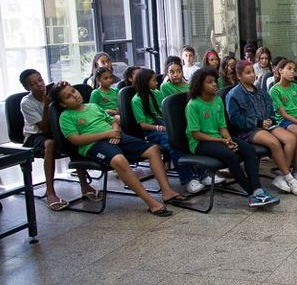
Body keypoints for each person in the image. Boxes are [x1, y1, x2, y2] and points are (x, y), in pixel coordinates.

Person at [50, 81, 187, 216]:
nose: (74, 95)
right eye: (68, 96)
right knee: (119, 160)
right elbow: (76, 140)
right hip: (94, 145)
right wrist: (107, 133)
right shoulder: (66, 117)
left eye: (73, 91)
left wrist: (115, 130)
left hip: (114, 136)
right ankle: (150, 202)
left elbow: (112, 122)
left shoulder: (93, 106)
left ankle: (167, 191)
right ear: (63, 104)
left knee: (153, 149)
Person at [186, 68, 280, 207]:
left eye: (214, 81)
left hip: (219, 138)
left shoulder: (218, 100)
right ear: (199, 85)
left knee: (248, 150)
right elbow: (196, 134)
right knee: (231, 156)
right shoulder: (193, 105)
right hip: (200, 143)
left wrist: (229, 139)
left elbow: (222, 126)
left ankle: (257, 189)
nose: (214, 85)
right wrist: (222, 141)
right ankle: (251, 193)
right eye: (209, 82)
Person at [18, 69, 96, 211]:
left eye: (40, 80)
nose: (39, 85)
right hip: (35, 136)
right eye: (33, 84)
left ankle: (84, 185)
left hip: (54, 130)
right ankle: (50, 193)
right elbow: (44, 128)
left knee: (73, 137)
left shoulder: (50, 94)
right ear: (27, 87)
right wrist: (47, 104)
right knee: (50, 143)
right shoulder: (26, 103)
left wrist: (61, 89)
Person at [132, 68, 218, 194]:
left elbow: (164, 112)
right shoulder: (136, 100)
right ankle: (188, 179)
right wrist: (160, 128)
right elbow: (143, 125)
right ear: (145, 82)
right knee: (174, 145)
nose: (157, 83)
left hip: (164, 123)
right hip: (154, 130)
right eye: (154, 80)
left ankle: (203, 175)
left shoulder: (156, 93)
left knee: (189, 137)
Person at [227, 60, 297, 195]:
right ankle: (289, 178)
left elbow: (271, 110)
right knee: (273, 142)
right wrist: (258, 123)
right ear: (239, 76)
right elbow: (236, 119)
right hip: (249, 130)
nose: (252, 75)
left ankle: (281, 175)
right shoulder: (233, 95)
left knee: (291, 139)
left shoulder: (261, 92)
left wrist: (270, 120)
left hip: (267, 125)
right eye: (248, 73)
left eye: (252, 72)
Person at [269, 58, 297, 192]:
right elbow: (283, 114)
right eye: (289, 69)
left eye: (294, 69)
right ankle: (295, 171)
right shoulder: (274, 90)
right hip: (285, 121)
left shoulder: (296, 87)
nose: (292, 72)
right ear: (280, 70)